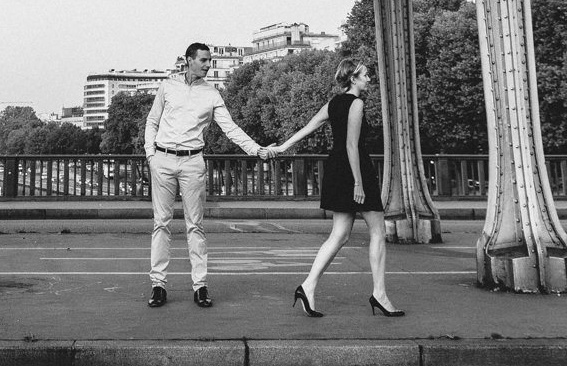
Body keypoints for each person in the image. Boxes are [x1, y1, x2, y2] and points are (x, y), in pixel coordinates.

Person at [144, 41, 277, 308]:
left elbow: (231, 128)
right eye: (204, 60)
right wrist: (151, 155)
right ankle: (158, 285)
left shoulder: (212, 94)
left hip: (193, 162)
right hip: (163, 159)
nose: (208, 65)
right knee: (161, 224)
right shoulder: (167, 86)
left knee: (196, 225)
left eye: (210, 60)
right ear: (189, 60)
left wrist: (257, 150)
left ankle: (200, 286)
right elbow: (152, 120)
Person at [274, 57, 404, 318]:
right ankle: (379, 294)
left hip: (336, 170)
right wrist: (358, 182)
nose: (369, 79)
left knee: (339, 235)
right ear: (353, 78)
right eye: (365, 75)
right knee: (378, 232)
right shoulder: (356, 103)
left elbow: (308, 128)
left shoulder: (334, 103)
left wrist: (281, 147)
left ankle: (308, 286)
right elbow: (351, 145)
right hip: (356, 171)